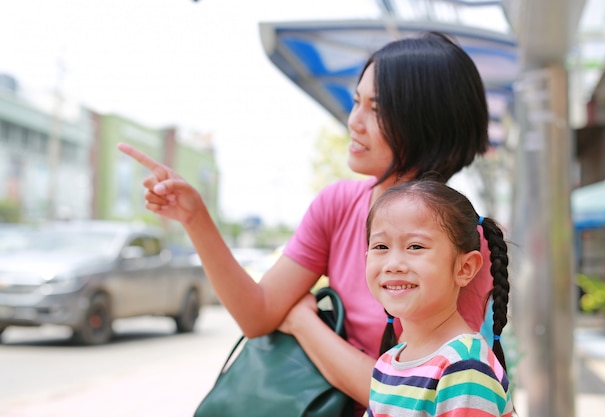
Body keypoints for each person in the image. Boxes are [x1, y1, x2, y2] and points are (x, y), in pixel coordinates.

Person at [117, 31, 492, 415]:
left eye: (376, 109)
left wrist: (302, 322)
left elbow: (415, 391)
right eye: (356, 102)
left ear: (427, 120)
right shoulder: (339, 204)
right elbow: (258, 315)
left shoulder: (465, 244)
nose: (354, 122)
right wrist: (194, 218)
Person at [364, 179, 512, 417]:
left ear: (464, 268)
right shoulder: (388, 362)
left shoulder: (464, 368)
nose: (393, 265)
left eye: (415, 246)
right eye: (381, 246)